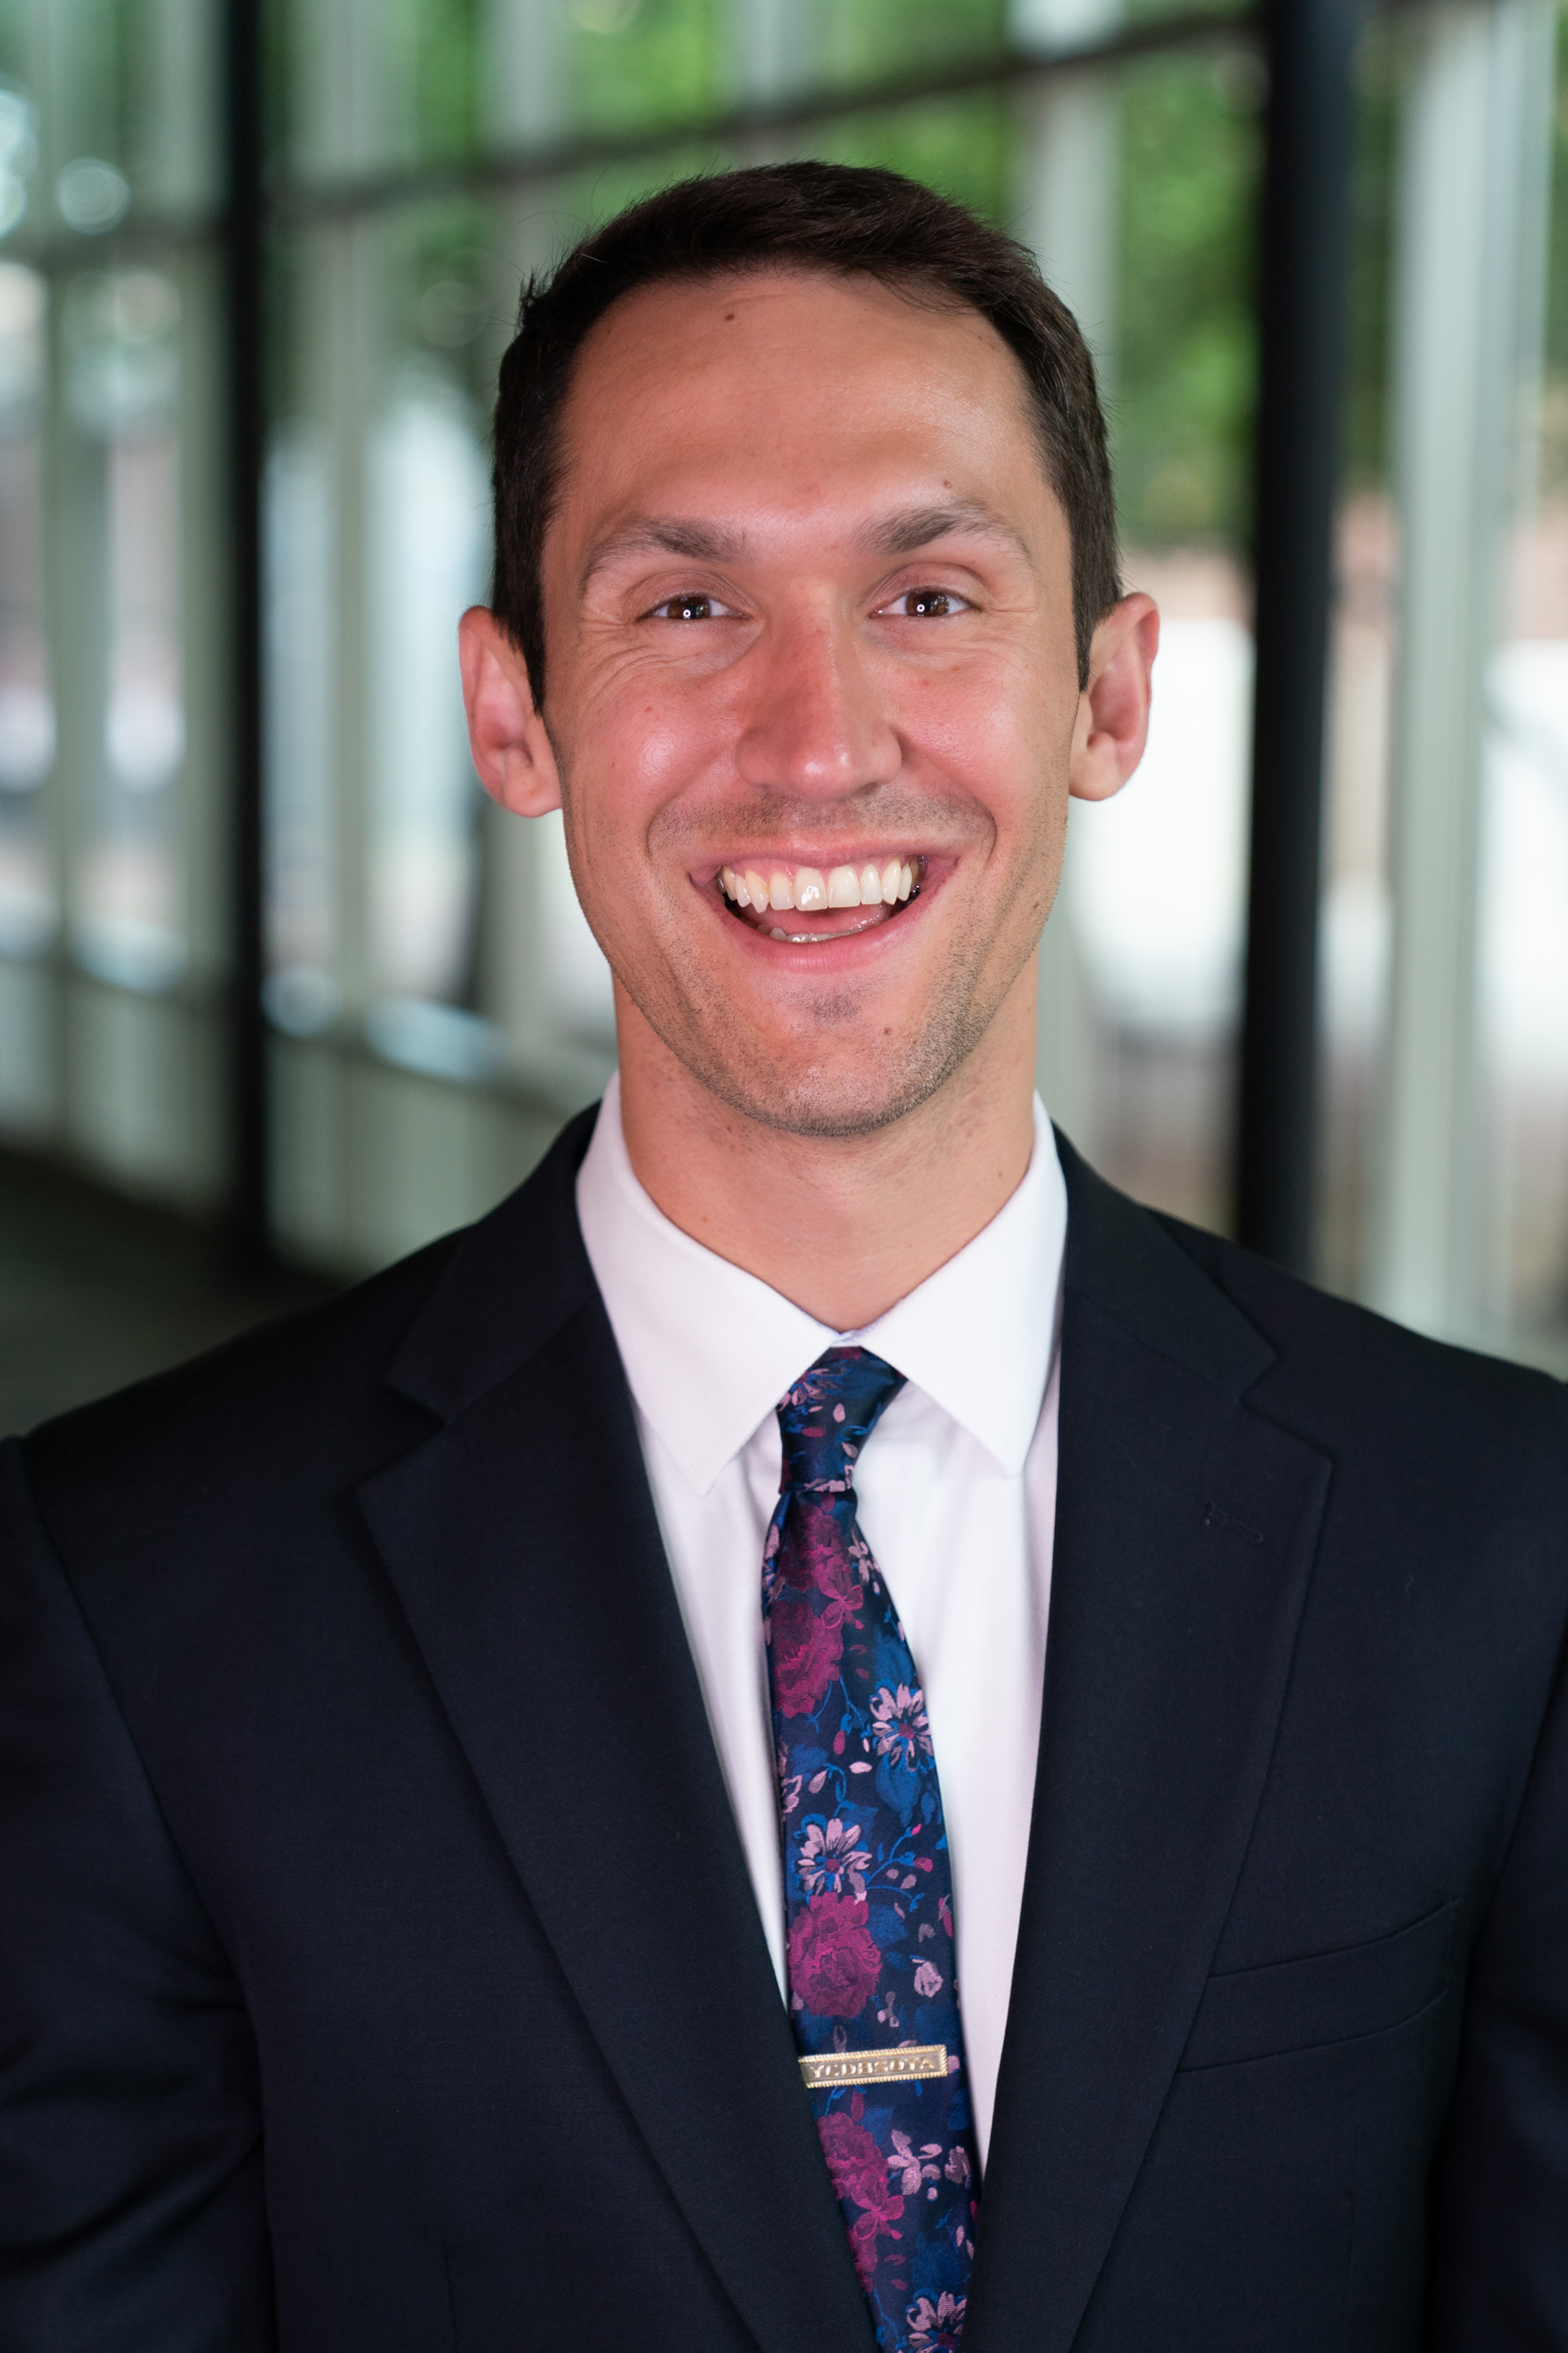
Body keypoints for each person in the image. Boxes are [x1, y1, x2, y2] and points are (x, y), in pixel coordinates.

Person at [2, 161, 1566, 2353]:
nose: (817, 743)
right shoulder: (127, 1591)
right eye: (685, 607)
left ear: (1109, 695)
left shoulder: (1504, 1545)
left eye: (930, 596)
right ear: (514, 710)